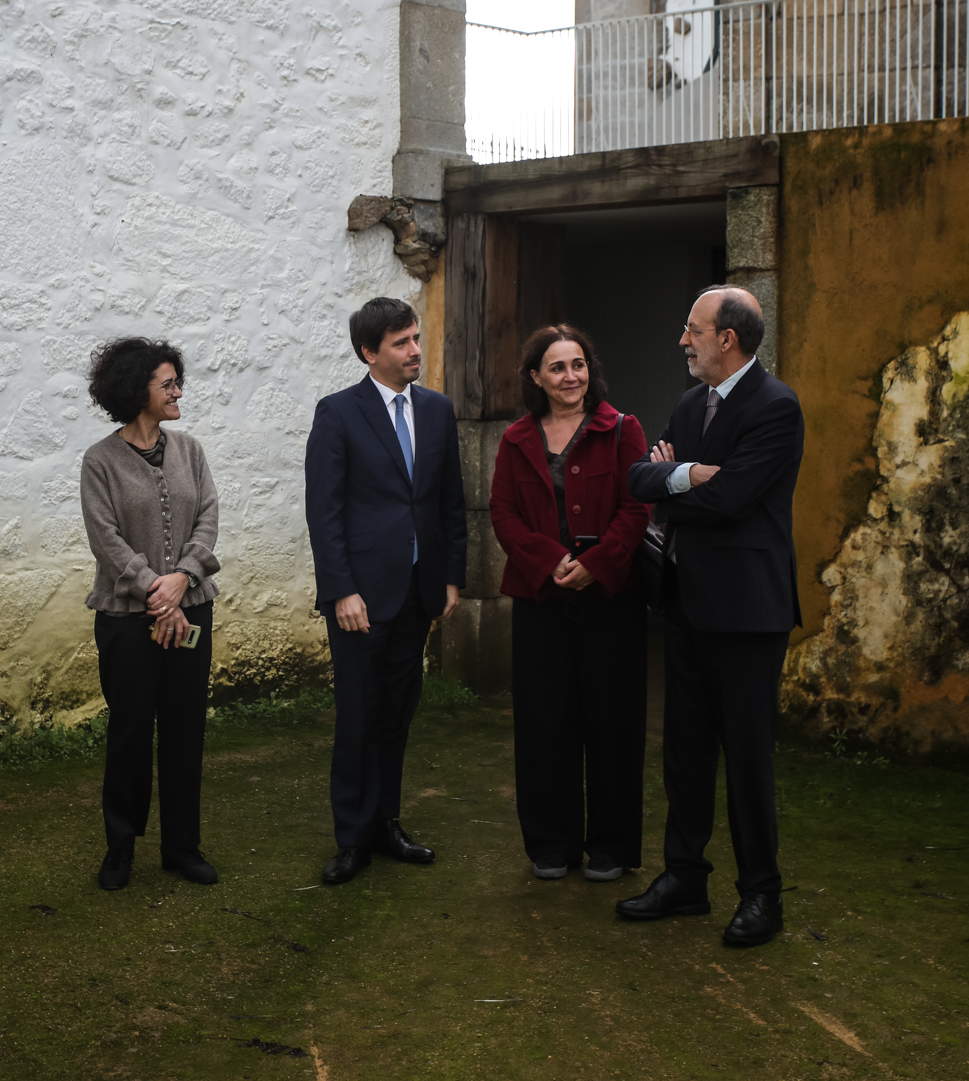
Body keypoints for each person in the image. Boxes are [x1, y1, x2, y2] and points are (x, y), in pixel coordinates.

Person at [620, 285, 804, 948]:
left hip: (749, 614)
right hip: (686, 604)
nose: (683, 340)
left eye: (692, 329)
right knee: (685, 752)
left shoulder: (776, 407)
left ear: (728, 337)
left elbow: (733, 501)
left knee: (748, 759)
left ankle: (762, 895)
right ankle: (684, 880)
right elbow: (639, 479)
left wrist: (678, 483)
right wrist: (690, 475)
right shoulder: (689, 403)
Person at [304, 297, 467, 886]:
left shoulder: (437, 410)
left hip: (418, 593)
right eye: (401, 343)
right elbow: (324, 513)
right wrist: (341, 590)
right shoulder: (338, 414)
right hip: (361, 601)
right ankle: (351, 839)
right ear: (370, 352)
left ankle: (385, 824)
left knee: (397, 715)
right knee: (358, 717)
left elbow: (449, 500)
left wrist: (450, 576)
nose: (415, 351)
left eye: (416, 339)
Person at [488, 324, 650, 883]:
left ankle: (611, 845)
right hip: (541, 596)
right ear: (537, 377)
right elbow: (502, 512)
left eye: (578, 364)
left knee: (612, 722)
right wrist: (549, 560)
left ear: (590, 369)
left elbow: (637, 508)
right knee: (544, 723)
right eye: (557, 368)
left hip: (611, 598)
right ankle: (552, 844)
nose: (570, 377)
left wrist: (598, 564)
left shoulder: (622, 429)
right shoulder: (515, 439)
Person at [80, 336, 220, 892]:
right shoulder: (100, 461)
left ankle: (182, 846)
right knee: (132, 731)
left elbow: (207, 517)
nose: (178, 391)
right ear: (138, 391)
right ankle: (120, 846)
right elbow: (105, 538)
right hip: (125, 622)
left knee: (185, 731)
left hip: (193, 612)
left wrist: (183, 579)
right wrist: (154, 593)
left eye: (176, 382)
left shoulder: (190, 450)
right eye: (168, 383)